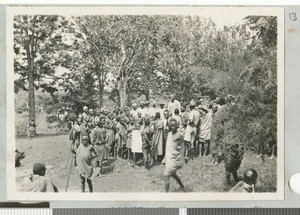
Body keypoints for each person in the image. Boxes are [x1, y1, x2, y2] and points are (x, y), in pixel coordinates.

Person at [164, 118, 185, 192]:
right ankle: (182, 186)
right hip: (169, 158)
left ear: (177, 126)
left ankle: (166, 194)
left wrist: (182, 159)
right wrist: (165, 157)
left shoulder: (179, 135)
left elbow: (183, 146)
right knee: (173, 174)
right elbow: (168, 146)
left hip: (174, 159)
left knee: (166, 175)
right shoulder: (169, 133)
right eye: (171, 125)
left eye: (174, 125)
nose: (172, 126)